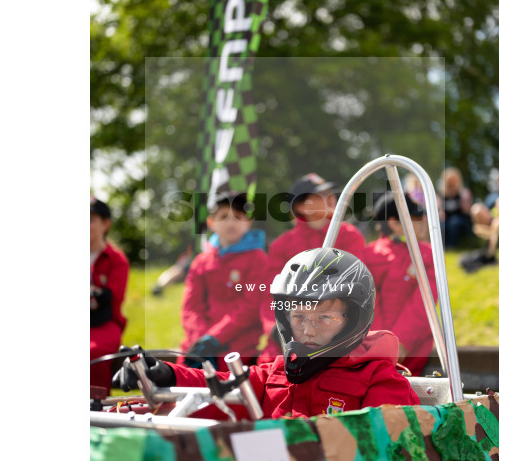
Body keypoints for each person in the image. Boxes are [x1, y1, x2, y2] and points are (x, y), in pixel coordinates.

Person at [113, 248, 420, 419]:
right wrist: (165, 374)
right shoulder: (275, 373)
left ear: (353, 319)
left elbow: (388, 451)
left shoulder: (379, 379)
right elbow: (224, 389)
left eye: (324, 317)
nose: (308, 329)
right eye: (298, 317)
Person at [258, 173, 367, 362]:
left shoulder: (350, 237)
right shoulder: (282, 246)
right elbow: (269, 294)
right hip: (288, 337)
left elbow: (354, 291)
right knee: (266, 372)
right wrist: (276, 328)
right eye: (320, 196)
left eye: (330, 194)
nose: (331, 200)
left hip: (338, 336)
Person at [180, 192, 268, 371]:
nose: (231, 223)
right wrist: (201, 341)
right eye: (223, 217)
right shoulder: (201, 261)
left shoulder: (258, 259)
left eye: (238, 217)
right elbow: (190, 308)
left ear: (248, 222)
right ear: (211, 223)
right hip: (198, 345)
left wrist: (214, 338)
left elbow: (251, 308)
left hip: (240, 347)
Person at [363, 192, 439, 376]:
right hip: (372, 352)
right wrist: (379, 342)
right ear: (394, 224)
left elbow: (424, 301)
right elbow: (366, 298)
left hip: (412, 353)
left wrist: (401, 342)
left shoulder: (427, 254)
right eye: (415, 217)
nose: (422, 220)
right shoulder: (370, 254)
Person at [90, 196, 130, 394]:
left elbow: (110, 301)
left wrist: (98, 296)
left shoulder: (116, 260)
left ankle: (96, 409)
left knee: (93, 353)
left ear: (106, 224)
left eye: (90, 219)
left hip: (104, 323)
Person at [438, 167, 473, 248]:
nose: (451, 183)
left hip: (461, 220)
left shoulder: (463, 193)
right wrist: (440, 213)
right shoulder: (441, 194)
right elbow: (438, 209)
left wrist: (466, 201)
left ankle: (451, 245)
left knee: (454, 222)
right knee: (441, 224)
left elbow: (467, 210)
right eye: (449, 180)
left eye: (454, 180)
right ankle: (442, 245)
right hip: (446, 220)